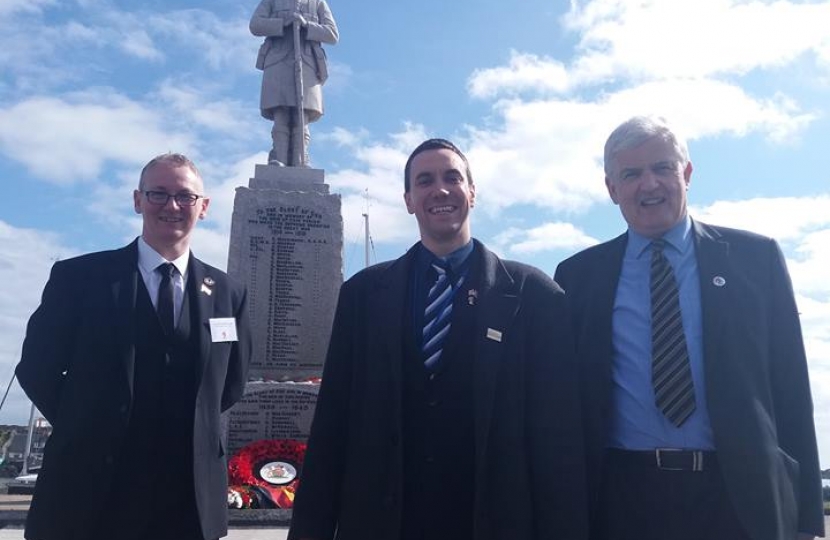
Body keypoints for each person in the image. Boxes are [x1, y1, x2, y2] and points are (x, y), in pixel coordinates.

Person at [288, 138, 588, 540]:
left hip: (494, 521)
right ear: (409, 199)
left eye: (452, 177)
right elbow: (332, 426)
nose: (440, 189)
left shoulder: (535, 295)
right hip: (383, 521)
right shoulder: (362, 295)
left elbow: (558, 438)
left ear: (472, 192)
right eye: (424, 180)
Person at [554, 116, 824, 540]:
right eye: (631, 174)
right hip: (623, 498)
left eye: (662, 168)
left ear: (688, 173)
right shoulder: (576, 277)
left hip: (737, 497)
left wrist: (808, 519)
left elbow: (791, 391)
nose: (649, 184)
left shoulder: (756, 260)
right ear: (611, 189)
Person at [16, 153, 252, 540]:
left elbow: (231, 383)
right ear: (137, 200)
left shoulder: (228, 292)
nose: (171, 206)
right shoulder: (79, 278)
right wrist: (88, 424)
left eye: (185, 196)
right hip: (91, 490)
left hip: (186, 496)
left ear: (203, 207)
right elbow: (36, 369)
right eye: (158, 193)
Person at [250, 0, 339, 167]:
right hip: (278, 60)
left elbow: (332, 34)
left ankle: (301, 159)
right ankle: (279, 156)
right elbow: (255, 25)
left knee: (302, 116)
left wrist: (307, 25)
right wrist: (283, 23)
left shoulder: (317, 3)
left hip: (307, 63)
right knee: (281, 113)